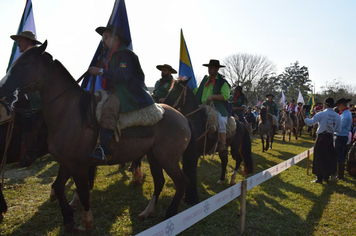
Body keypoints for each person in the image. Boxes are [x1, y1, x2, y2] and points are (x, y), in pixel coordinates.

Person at [88, 25, 154, 161]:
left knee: (108, 107)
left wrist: (100, 71)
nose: (103, 40)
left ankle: (102, 148)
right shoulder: (112, 56)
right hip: (116, 90)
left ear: (116, 38)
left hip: (128, 92)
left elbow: (122, 76)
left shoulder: (126, 55)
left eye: (106, 37)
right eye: (103, 37)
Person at [10, 31, 43, 167]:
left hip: (36, 94)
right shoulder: (26, 56)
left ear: (28, 42)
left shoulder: (35, 56)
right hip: (26, 92)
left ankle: (30, 154)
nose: (18, 44)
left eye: (20, 41)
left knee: (30, 119)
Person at [194, 59, 230, 152]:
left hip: (216, 107)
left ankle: (222, 143)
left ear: (217, 69)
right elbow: (197, 91)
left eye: (212, 68)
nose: (209, 70)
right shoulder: (205, 80)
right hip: (202, 106)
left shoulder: (222, 82)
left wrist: (213, 96)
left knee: (221, 121)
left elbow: (226, 96)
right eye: (209, 68)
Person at [305, 98, 341, 183]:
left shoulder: (321, 114)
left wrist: (305, 118)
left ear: (326, 104)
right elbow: (338, 129)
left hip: (321, 138)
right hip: (330, 137)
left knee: (319, 157)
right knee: (328, 157)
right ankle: (326, 176)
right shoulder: (337, 116)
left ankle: (319, 178)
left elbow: (310, 122)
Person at [333, 98, 353, 180]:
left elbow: (340, 127)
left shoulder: (345, 115)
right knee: (339, 154)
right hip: (340, 135)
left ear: (342, 105)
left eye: (338, 105)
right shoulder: (344, 113)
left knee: (340, 155)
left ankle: (339, 175)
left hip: (341, 136)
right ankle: (338, 174)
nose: (337, 107)